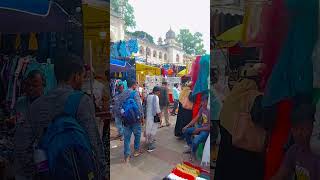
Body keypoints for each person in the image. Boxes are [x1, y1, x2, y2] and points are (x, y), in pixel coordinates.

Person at [27, 55, 107, 179]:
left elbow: (26, 148)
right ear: (75, 76)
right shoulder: (82, 100)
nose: (82, 80)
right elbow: (94, 143)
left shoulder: (35, 106)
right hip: (78, 172)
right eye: (82, 76)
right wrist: (102, 173)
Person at [272, 104, 320, 180]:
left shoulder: (317, 157)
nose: (298, 133)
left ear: (314, 128)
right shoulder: (294, 150)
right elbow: (280, 176)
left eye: (303, 128)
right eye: (295, 128)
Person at [13, 70, 45, 180]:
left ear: (43, 86)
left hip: (41, 159)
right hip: (21, 161)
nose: (30, 88)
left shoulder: (48, 105)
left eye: (35, 85)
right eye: (28, 85)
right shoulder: (20, 103)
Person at [114, 79, 144, 163]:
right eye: (136, 85)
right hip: (135, 119)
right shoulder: (135, 93)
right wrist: (142, 117)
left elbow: (118, 107)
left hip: (126, 119)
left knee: (127, 137)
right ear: (134, 85)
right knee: (137, 134)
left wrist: (122, 117)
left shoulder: (122, 93)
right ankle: (136, 151)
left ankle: (127, 155)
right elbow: (139, 106)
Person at [182, 94, 210, 161]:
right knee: (186, 130)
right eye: (201, 101)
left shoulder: (210, 110)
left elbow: (210, 127)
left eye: (204, 101)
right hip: (201, 127)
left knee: (196, 140)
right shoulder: (202, 108)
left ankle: (193, 153)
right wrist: (187, 126)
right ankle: (191, 147)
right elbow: (196, 118)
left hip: (206, 130)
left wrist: (199, 129)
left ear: (208, 102)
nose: (202, 103)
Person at [145, 86, 161, 152]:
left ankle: (148, 141)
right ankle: (150, 146)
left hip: (148, 115)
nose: (159, 93)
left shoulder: (148, 96)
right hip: (154, 116)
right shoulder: (155, 97)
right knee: (153, 130)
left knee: (148, 129)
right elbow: (157, 108)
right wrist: (160, 116)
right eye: (159, 92)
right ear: (156, 91)